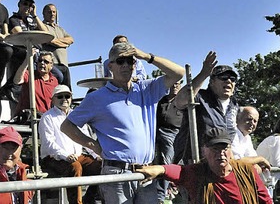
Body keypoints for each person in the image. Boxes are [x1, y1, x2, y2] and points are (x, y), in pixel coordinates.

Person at [60, 42, 184, 204]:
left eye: (130, 61)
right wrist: (93, 145)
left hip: (147, 171)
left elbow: (178, 73)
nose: (126, 65)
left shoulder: (146, 89)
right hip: (117, 174)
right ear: (110, 66)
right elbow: (67, 126)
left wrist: (147, 56)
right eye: (120, 61)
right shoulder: (97, 97)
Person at [136, 127, 273, 204]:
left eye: (225, 148)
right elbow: (179, 171)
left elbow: (266, 201)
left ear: (231, 150)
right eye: (215, 149)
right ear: (204, 151)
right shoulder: (198, 173)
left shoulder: (246, 172)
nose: (221, 153)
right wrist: (159, 169)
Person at [173, 51, 240, 164]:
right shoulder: (199, 97)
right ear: (212, 82)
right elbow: (180, 101)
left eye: (233, 79)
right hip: (194, 163)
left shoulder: (234, 105)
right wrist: (204, 73)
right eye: (223, 77)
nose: (229, 81)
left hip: (221, 164)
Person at [39, 85, 101, 204]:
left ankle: (89, 198)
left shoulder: (76, 114)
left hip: (76, 156)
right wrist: (65, 155)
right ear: (53, 99)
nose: (64, 99)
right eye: (60, 96)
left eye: (67, 96)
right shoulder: (47, 117)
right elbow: (49, 143)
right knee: (75, 167)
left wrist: (96, 154)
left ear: (71, 98)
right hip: (53, 158)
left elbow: (86, 138)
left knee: (101, 166)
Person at [154, 80, 183, 203]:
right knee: (157, 159)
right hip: (158, 132)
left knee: (168, 159)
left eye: (178, 83)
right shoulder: (161, 100)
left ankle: (163, 192)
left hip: (175, 133)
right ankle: (158, 191)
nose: (175, 86)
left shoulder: (183, 102)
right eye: (172, 83)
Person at [11, 51, 58, 118]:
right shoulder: (30, 74)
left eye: (46, 62)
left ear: (51, 65)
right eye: (40, 60)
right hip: (27, 118)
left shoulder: (54, 81)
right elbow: (17, 81)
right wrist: (27, 60)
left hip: (45, 119)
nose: (42, 63)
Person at [41, 4, 74, 87]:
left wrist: (57, 41)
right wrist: (64, 44)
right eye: (49, 12)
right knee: (54, 90)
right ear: (43, 13)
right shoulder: (42, 27)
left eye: (54, 12)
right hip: (52, 64)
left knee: (66, 90)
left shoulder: (60, 29)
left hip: (64, 65)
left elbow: (71, 39)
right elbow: (50, 41)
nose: (52, 14)